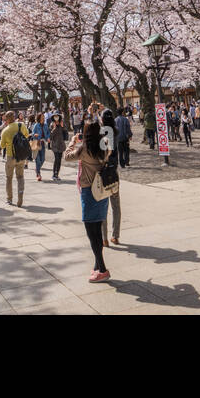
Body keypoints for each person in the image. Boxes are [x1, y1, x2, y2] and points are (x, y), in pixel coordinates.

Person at [65, 119, 111, 282]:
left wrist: (72, 141)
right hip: (102, 190)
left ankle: (103, 270)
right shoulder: (104, 144)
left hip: (88, 190)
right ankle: (97, 266)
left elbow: (67, 156)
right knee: (96, 229)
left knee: (91, 232)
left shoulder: (84, 148)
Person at [99, 109, 122, 246]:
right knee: (116, 205)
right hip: (114, 172)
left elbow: (104, 152)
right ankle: (115, 236)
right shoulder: (115, 130)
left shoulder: (104, 132)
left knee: (103, 206)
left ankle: (104, 238)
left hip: (104, 172)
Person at [0, 111, 31, 206]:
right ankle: (20, 197)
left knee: (9, 178)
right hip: (21, 156)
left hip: (10, 156)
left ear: (7, 119)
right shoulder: (21, 125)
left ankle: (9, 199)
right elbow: (27, 135)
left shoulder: (5, 130)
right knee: (20, 177)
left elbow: (2, 145)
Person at [47, 113, 69, 180]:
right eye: (55, 116)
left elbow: (66, 136)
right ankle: (54, 174)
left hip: (61, 144)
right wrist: (53, 129)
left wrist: (63, 127)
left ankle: (57, 174)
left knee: (59, 160)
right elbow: (50, 136)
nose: (56, 118)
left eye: (57, 116)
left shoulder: (62, 123)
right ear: (53, 117)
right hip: (55, 145)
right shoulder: (52, 124)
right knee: (56, 159)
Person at [30, 115, 48, 181]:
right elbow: (32, 133)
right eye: (42, 117)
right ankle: (38, 174)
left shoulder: (45, 125)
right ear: (39, 118)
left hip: (42, 143)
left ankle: (37, 169)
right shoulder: (36, 125)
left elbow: (48, 133)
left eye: (43, 117)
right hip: (36, 143)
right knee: (38, 160)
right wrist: (35, 134)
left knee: (42, 159)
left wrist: (48, 137)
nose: (43, 118)